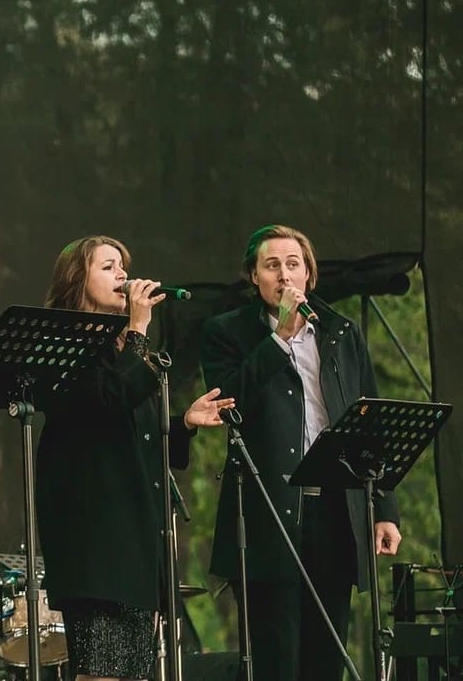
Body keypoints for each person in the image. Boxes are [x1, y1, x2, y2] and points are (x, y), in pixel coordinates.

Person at [201, 224, 402, 680]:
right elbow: (228, 403)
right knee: (276, 661)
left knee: (326, 660)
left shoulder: (341, 332)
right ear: (254, 276)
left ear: (309, 274)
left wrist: (384, 510)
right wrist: (280, 340)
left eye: (293, 264)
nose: (284, 274)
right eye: (272, 265)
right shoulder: (226, 332)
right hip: (269, 515)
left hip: (335, 511)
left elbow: (369, 425)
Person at [36, 235, 233, 681]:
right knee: (101, 671)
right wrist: (139, 329)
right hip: (94, 540)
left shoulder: (122, 347)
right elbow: (109, 399)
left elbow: (131, 432)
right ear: (76, 279)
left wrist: (183, 424)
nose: (122, 275)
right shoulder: (65, 341)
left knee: (133, 673)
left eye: (122, 266)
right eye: (107, 267)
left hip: (136, 538)